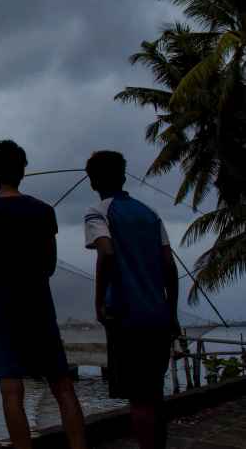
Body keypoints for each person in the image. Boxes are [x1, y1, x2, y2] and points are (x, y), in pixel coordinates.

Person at [0, 140, 88, 449]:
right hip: (38, 306)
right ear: (23, 172)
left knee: (11, 392)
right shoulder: (44, 212)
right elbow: (48, 266)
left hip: (2, 308)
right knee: (63, 387)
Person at [83, 150, 180, 449]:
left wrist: (99, 302)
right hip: (159, 317)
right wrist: (172, 312)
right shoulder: (150, 214)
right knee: (154, 396)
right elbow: (169, 266)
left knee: (138, 401)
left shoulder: (97, 212)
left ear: (92, 182)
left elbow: (107, 252)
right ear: (124, 176)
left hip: (126, 318)